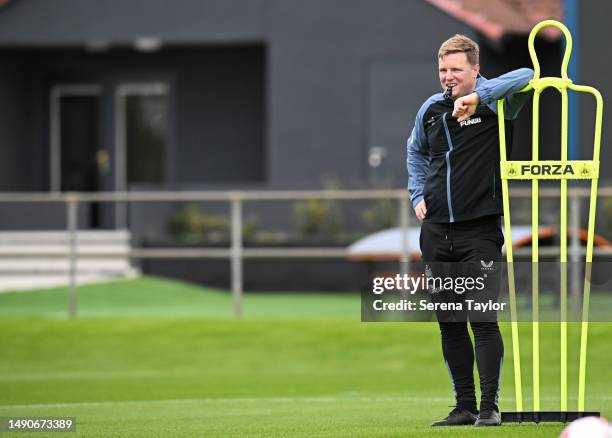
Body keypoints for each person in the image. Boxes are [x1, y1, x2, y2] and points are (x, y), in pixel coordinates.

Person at [406, 34, 533, 427]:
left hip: (480, 230)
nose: (448, 77)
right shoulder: (430, 109)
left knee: (483, 319)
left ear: (474, 70)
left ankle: (490, 407)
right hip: (437, 231)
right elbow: (415, 151)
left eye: (456, 70)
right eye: (443, 70)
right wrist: (416, 194)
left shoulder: (498, 101)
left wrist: (480, 95)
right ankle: (464, 407)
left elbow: (528, 74)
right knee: (449, 323)